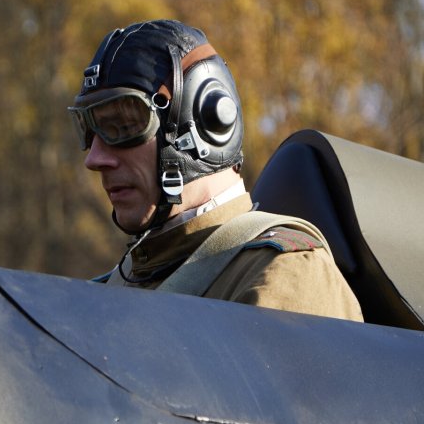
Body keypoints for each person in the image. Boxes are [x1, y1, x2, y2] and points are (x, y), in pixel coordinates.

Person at [70, 19, 363, 322]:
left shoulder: (285, 274)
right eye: (89, 131)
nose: (95, 159)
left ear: (206, 124)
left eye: (123, 127)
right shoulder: (119, 283)